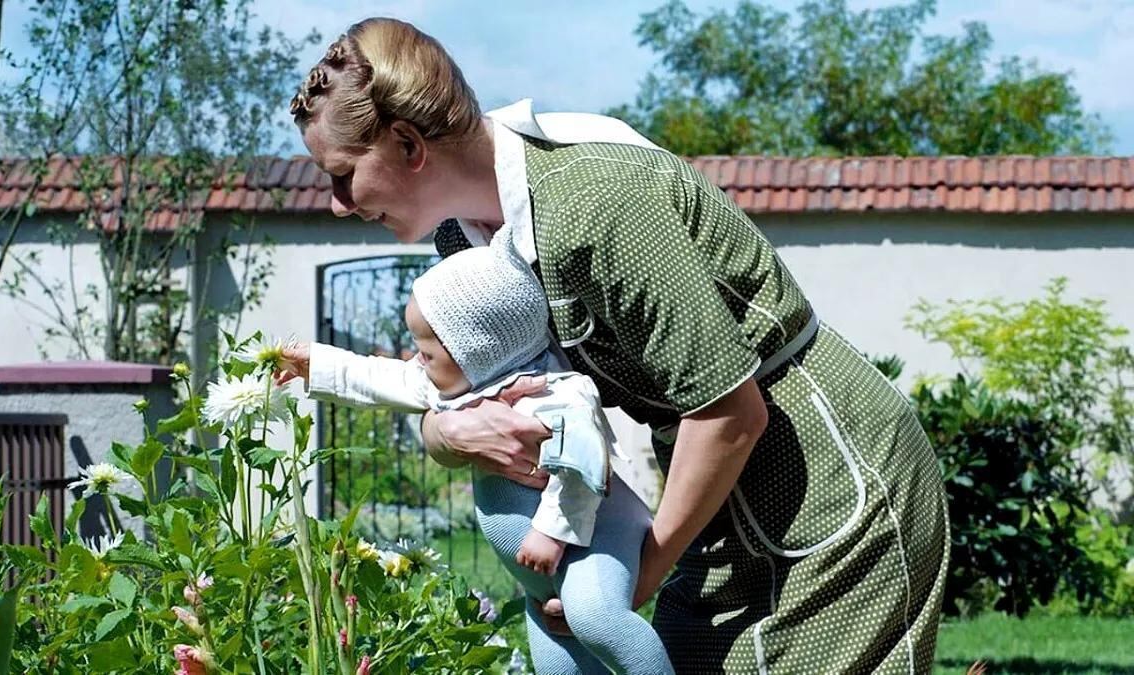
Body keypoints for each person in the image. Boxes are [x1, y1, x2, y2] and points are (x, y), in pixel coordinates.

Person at [281, 17, 950, 674]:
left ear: (406, 143)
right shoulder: (464, 245)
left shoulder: (595, 204)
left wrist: (622, 586)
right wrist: (447, 434)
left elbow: (729, 414)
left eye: (344, 174)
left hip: (826, 474)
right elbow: (453, 391)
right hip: (717, 494)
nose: (339, 203)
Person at [290, 226, 674, 673]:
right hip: (543, 575)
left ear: (478, 349)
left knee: (596, 616)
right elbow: (382, 378)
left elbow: (582, 462)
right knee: (556, 665)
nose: (417, 361)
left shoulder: (555, 393)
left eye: (427, 352)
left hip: (592, 540)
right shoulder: (460, 384)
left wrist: (551, 532)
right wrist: (313, 364)